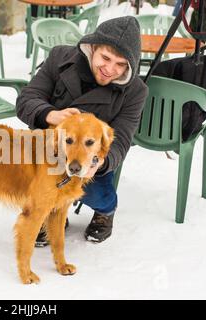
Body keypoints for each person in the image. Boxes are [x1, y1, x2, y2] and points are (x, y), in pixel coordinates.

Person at [16, 16, 149, 245]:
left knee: (98, 194)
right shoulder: (60, 57)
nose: (109, 69)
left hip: (90, 158)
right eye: (105, 58)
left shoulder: (135, 91)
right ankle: (54, 211)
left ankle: (105, 211)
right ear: (93, 48)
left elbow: (122, 139)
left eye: (120, 64)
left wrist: (99, 164)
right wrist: (50, 114)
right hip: (49, 150)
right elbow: (27, 99)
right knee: (33, 183)